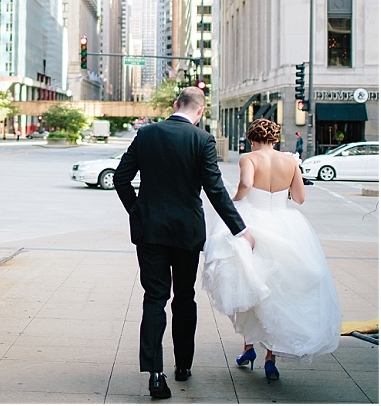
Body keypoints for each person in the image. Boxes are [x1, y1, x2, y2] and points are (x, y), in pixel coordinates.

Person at [113, 87, 250, 399]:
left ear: (175, 105)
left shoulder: (145, 135)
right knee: (185, 298)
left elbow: (121, 179)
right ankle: (183, 365)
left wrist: (137, 211)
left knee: (154, 298)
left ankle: (155, 374)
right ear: (199, 112)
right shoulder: (202, 140)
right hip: (187, 232)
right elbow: (216, 191)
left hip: (149, 232)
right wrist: (240, 230)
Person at [202, 119, 341, 385]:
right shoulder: (290, 162)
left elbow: (245, 184)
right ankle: (270, 358)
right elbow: (300, 198)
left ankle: (247, 348)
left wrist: (235, 201)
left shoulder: (249, 157)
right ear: (275, 139)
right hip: (284, 224)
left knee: (250, 284)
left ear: (252, 138)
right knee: (277, 289)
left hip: (253, 223)